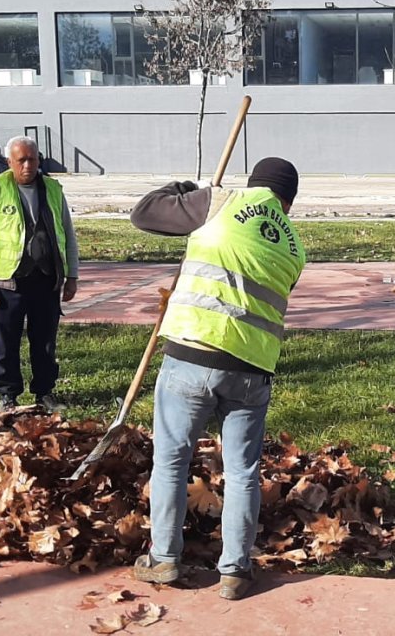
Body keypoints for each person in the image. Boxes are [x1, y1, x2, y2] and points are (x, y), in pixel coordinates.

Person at [128, 157, 306, 601]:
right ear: (289, 202)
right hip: (251, 370)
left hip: (193, 354)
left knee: (171, 459)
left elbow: (146, 211)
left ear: (253, 183)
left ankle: (165, 558)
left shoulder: (219, 201)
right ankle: (235, 572)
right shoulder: (294, 246)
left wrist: (189, 186)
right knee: (243, 471)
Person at [0, 135, 80, 412]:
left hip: (46, 280)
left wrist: (72, 276)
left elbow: (67, 234)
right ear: (10, 162)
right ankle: (8, 395)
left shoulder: (53, 189)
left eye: (33, 159)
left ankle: (44, 392)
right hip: (7, 282)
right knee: (6, 343)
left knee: (44, 343)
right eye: (21, 160)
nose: (28, 165)